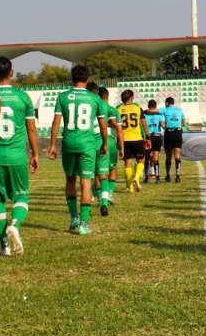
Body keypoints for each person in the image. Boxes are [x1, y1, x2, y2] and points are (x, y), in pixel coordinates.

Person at [0, 56, 38, 258]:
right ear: (11, 72)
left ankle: (4, 247)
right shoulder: (22, 97)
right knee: (21, 197)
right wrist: (35, 153)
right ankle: (15, 225)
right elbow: (32, 130)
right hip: (17, 155)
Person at [48, 66, 107, 235]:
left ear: (71, 79)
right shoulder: (94, 98)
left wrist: (52, 145)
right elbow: (103, 126)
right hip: (87, 144)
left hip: (68, 143)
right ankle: (83, 223)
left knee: (70, 181)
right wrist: (103, 143)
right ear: (87, 79)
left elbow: (56, 123)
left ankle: (74, 218)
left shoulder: (63, 96)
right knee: (86, 182)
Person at [92, 86, 121, 214]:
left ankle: (98, 195)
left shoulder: (91, 106)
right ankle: (107, 195)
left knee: (95, 172)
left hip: (90, 141)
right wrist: (121, 145)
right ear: (107, 96)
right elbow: (117, 128)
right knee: (111, 168)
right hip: (107, 140)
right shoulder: (110, 109)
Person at [116, 89, 149, 192]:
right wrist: (148, 136)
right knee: (141, 160)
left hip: (124, 139)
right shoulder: (137, 108)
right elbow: (144, 124)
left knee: (127, 163)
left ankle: (130, 187)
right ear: (131, 97)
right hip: (137, 138)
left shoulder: (118, 109)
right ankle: (137, 177)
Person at [162, 96, 186, 183]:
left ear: (167, 103)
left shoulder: (165, 110)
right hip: (178, 132)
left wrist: (166, 128)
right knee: (177, 155)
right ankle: (178, 176)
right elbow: (184, 122)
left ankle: (168, 175)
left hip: (169, 133)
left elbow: (162, 122)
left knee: (168, 156)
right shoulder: (180, 110)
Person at [143, 99, 164, 183]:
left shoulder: (144, 114)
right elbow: (162, 125)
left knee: (147, 157)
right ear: (156, 106)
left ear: (148, 106)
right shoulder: (159, 114)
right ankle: (157, 177)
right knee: (156, 158)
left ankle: (146, 177)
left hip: (148, 136)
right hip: (157, 136)